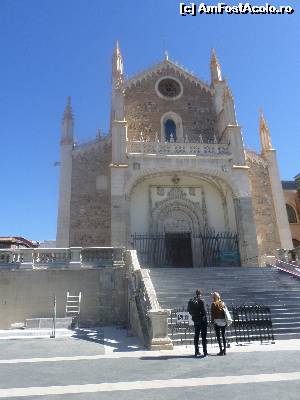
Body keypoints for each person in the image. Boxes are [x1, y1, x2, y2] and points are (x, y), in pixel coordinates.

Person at [187, 289, 208, 357]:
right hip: (202, 320)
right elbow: (204, 311)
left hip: (196, 320)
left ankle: (196, 351)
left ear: (195, 294)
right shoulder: (202, 301)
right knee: (203, 336)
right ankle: (205, 351)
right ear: (200, 294)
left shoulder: (191, 301)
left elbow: (189, 310)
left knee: (196, 336)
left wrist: (194, 316)